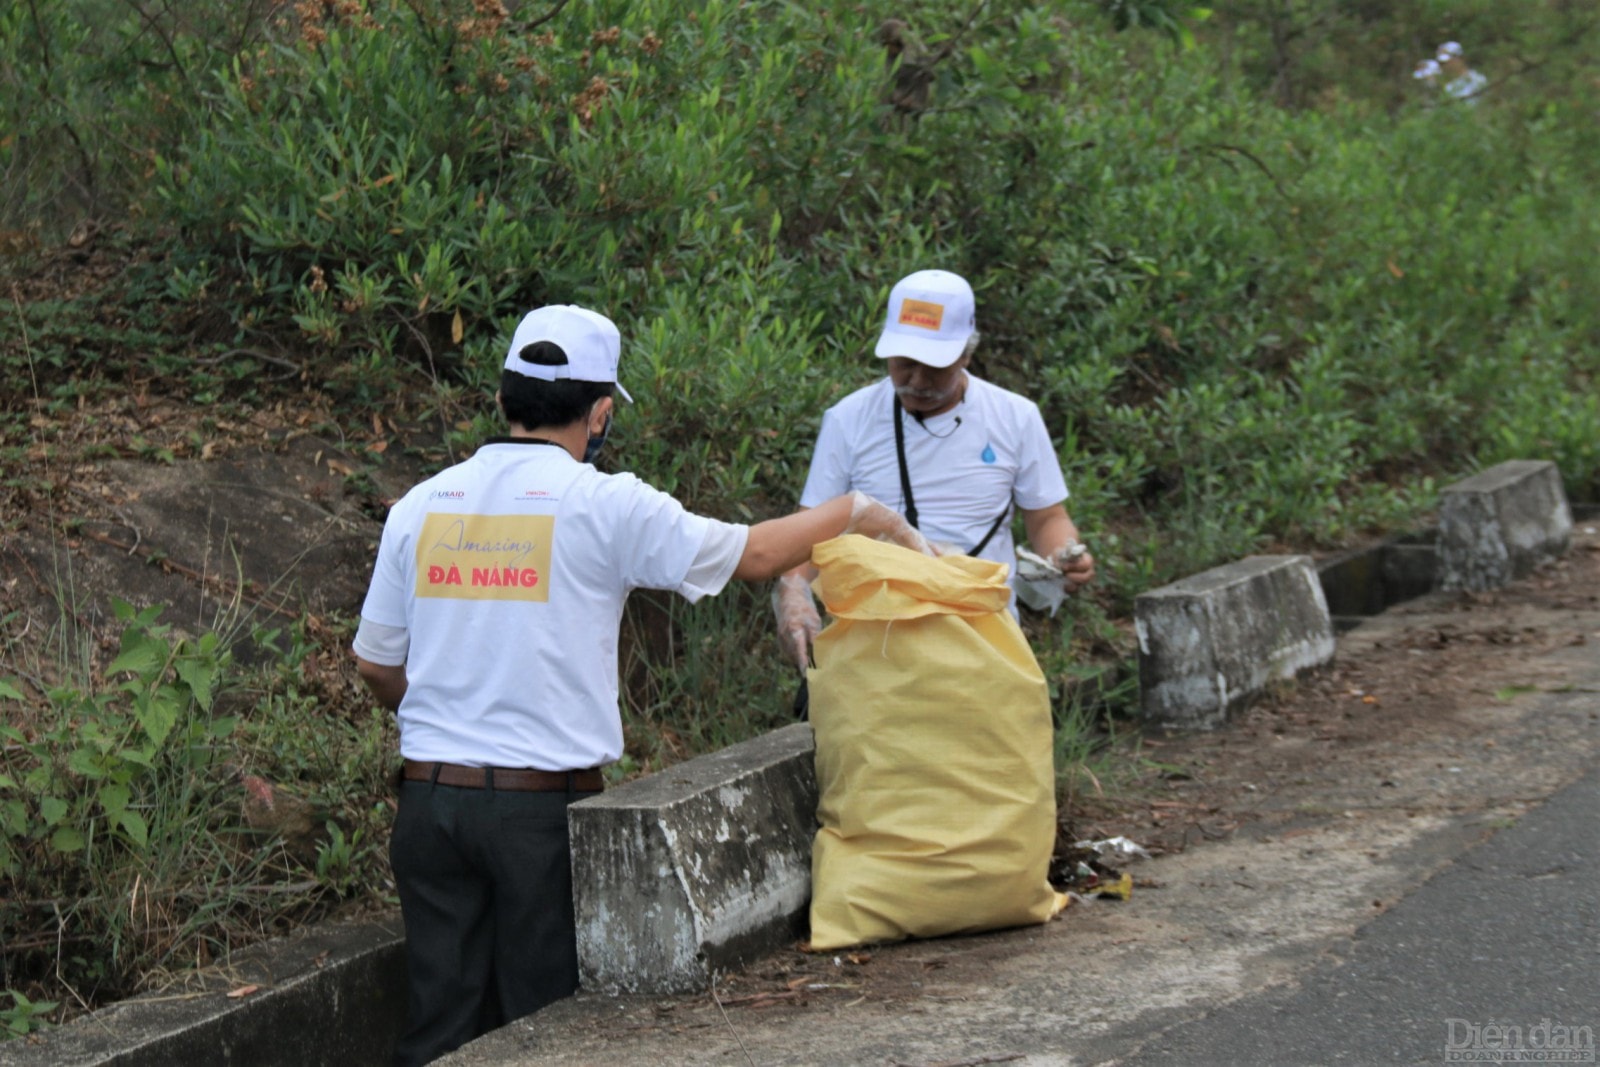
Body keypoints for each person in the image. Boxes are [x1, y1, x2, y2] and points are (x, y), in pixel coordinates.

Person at [351, 304, 927, 1066]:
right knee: (543, 1027)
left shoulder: (422, 504)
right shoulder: (605, 503)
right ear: (599, 413)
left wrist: (442, 726)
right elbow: (753, 554)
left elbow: (375, 664)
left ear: (503, 399)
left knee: (438, 1029)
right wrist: (858, 510)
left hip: (428, 810)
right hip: (538, 816)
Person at [772, 269, 1096, 672]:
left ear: (966, 354)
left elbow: (1047, 516)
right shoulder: (849, 419)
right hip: (875, 639)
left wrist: (1063, 555)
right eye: (904, 365)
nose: (917, 381)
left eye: (935, 366)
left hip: (983, 638)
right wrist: (793, 589)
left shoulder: (1015, 417)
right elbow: (811, 526)